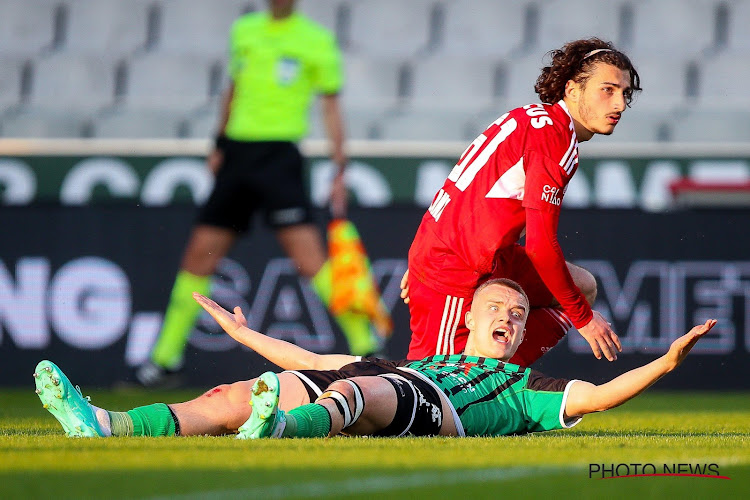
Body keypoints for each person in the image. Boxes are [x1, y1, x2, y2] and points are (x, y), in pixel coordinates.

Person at [36, 280, 716, 440]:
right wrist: (246, 336)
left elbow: (597, 397)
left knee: (363, 398)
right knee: (235, 391)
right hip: (402, 378)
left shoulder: (528, 386)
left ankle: (278, 429)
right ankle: (104, 423)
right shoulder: (421, 355)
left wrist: (664, 365)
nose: (509, 319)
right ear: (471, 319)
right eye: (498, 310)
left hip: (428, 407)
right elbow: (313, 353)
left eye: (518, 314)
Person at [135, 0, 380, 388]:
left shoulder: (315, 41)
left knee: (310, 260)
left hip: (279, 158)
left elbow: (330, 106)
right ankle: (164, 360)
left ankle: (366, 347)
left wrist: (340, 165)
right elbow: (233, 89)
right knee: (199, 256)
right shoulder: (244, 31)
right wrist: (219, 143)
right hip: (237, 155)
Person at [402, 38, 642, 366]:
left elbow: (465, 190)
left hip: (477, 256)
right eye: (608, 90)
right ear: (572, 90)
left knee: (582, 287)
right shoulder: (553, 139)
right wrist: (585, 321)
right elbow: (540, 248)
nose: (619, 104)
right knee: (427, 391)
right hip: (453, 269)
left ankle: (496, 378)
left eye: (624, 94)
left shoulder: (532, 119)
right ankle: (334, 384)